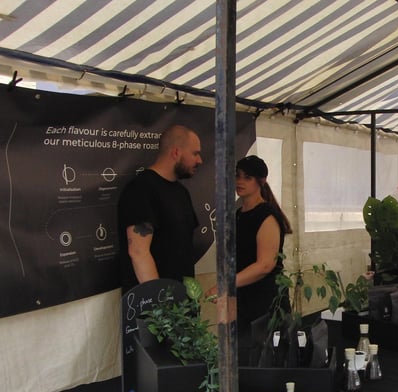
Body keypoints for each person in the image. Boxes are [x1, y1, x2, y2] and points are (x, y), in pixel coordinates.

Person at [207, 155, 292, 335]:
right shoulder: (238, 215)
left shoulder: (267, 215)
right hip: (242, 297)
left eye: (247, 177)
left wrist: (225, 286)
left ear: (261, 181)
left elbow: (265, 265)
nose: (240, 181)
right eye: (237, 176)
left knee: (265, 357)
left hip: (265, 300)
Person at [118, 124, 202, 292]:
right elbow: (138, 252)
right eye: (195, 153)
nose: (199, 160)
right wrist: (160, 304)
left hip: (182, 303)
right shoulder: (141, 189)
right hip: (154, 311)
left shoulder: (181, 191)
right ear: (176, 152)